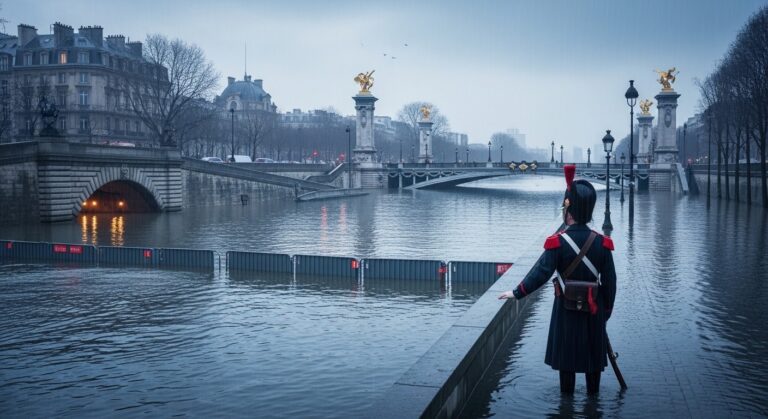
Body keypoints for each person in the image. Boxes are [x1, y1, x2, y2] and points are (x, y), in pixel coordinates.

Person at [499, 165, 617, 395]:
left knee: (567, 364)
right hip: (594, 310)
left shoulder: (558, 242)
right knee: (594, 363)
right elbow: (611, 283)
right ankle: (593, 405)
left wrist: (516, 292)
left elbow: (541, 273)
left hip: (566, 309)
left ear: (568, 209)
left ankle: (566, 406)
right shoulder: (602, 243)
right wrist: (606, 310)